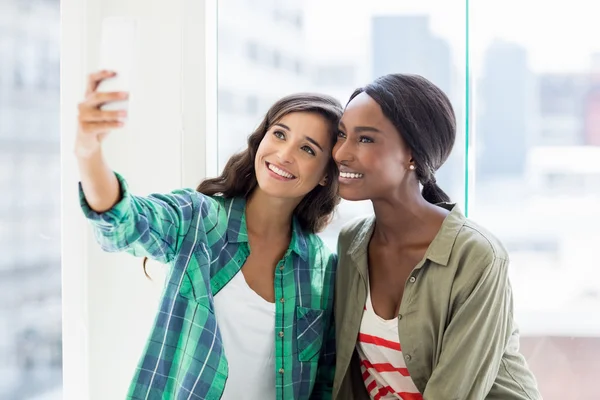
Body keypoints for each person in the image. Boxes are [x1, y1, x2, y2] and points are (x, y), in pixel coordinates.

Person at [76, 70, 342, 399]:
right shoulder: (198, 218)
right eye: (279, 134)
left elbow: (326, 383)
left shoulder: (323, 269)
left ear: (325, 177)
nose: (285, 154)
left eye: (308, 150)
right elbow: (124, 221)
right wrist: (88, 152)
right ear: (262, 139)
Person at [331, 73, 541, 400]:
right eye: (341, 135)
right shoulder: (350, 244)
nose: (341, 153)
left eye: (365, 139)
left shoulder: (476, 255)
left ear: (412, 155)